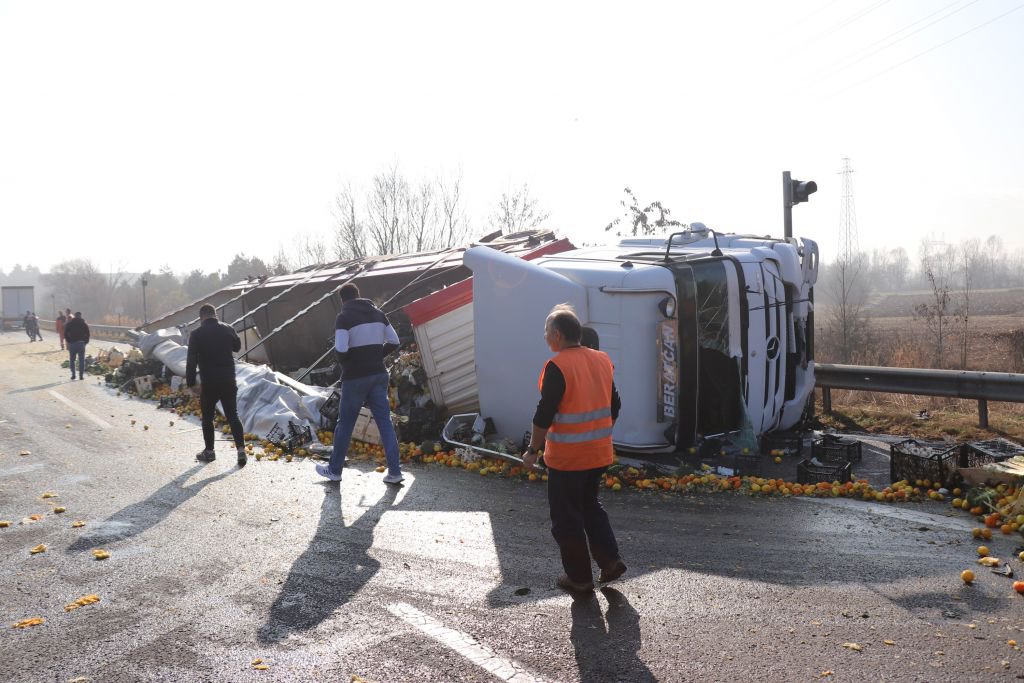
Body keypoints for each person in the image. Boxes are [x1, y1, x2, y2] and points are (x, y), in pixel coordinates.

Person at [523, 303, 627, 593]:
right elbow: (614, 405)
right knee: (591, 507)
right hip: (598, 453)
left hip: (568, 459)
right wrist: (597, 436)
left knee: (566, 518)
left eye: (546, 331)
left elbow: (545, 414)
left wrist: (532, 450)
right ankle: (610, 561)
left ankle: (580, 578)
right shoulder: (601, 359)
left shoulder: (558, 366)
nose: (545, 337)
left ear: (557, 334)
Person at [316, 283, 403, 484]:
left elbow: (340, 348)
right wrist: (376, 356)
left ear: (343, 300)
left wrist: (350, 364)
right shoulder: (379, 313)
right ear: (358, 295)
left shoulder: (344, 318)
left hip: (355, 377)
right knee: (385, 423)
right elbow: (395, 341)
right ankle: (395, 472)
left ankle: (335, 470)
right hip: (379, 374)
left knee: (345, 424)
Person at [186, 304, 247, 466]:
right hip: (228, 380)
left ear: (201, 318)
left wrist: (191, 382)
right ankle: (241, 450)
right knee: (232, 415)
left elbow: (191, 361)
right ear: (215, 315)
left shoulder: (196, 334)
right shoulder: (228, 328)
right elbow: (237, 347)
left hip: (208, 383)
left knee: (207, 418)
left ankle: (210, 452)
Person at [63, 312, 90, 380]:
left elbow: (65, 333)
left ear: (74, 316)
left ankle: (73, 375)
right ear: (81, 316)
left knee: (72, 360)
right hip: (81, 343)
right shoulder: (84, 324)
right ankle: (81, 376)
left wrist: (68, 341)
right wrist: (85, 342)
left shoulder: (70, 324)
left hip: (72, 344)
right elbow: (88, 334)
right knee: (81, 360)